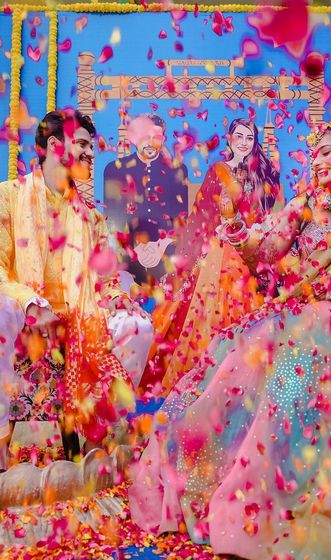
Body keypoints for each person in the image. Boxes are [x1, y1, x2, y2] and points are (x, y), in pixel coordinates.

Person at [128, 118, 331, 559]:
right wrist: (239, 230)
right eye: (314, 154)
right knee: (263, 365)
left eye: (326, 152)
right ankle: (269, 490)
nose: (317, 161)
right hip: (305, 322)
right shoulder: (305, 204)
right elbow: (264, 249)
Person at [0, 109, 154, 467]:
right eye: (82, 144)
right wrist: (31, 304)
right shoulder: (9, 196)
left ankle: (92, 439)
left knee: (138, 326)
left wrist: (116, 300)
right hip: (23, 314)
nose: (89, 153)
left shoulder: (92, 218)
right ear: (55, 145)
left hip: (77, 320)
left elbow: (106, 282)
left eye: (91, 146)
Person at [142, 117, 282, 394]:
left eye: (249, 138)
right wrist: (220, 231)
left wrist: (255, 229)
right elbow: (202, 214)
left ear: (255, 142)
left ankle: (242, 375)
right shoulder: (218, 170)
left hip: (250, 245)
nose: (244, 143)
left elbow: (262, 214)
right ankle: (209, 375)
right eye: (239, 136)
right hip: (221, 246)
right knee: (225, 282)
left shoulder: (258, 174)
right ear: (229, 139)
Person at [104, 113, 188, 287]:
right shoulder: (114, 170)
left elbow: (182, 221)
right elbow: (111, 221)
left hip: (167, 253)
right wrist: (136, 249)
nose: (150, 143)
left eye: (156, 137)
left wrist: (160, 247)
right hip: (127, 255)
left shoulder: (178, 170)